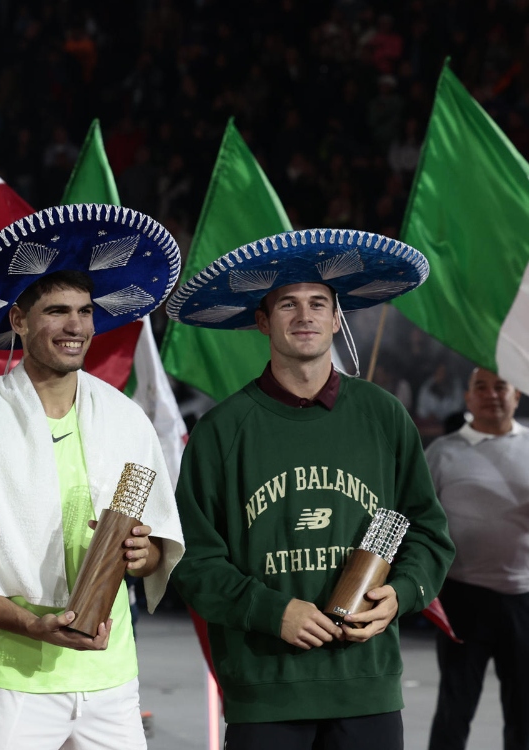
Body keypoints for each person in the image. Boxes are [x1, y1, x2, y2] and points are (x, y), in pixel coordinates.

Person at [0, 205, 186, 750]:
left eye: (84, 311)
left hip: (113, 680)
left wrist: (141, 554)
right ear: (19, 321)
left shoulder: (127, 422)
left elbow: (155, 552)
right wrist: (34, 626)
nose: (76, 326)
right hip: (15, 683)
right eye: (56, 311)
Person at [166, 228, 456, 749]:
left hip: (367, 685)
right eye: (288, 305)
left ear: (337, 318)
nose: (305, 316)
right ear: (262, 321)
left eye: (318, 303)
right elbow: (193, 560)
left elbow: (428, 532)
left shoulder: (383, 415)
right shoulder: (221, 431)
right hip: (266, 689)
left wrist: (401, 594)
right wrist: (271, 611)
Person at [427, 367, 529, 750]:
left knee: (524, 712)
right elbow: (419, 520)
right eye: (481, 387)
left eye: (500, 386)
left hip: (524, 599)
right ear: (468, 397)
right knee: (454, 708)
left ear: (516, 395)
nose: (491, 394)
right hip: (461, 597)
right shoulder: (442, 452)